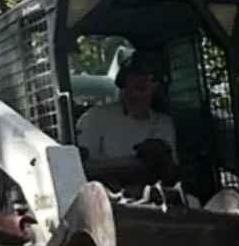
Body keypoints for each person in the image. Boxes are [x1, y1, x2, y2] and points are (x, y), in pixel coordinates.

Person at [75, 47, 179, 184]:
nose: (143, 80)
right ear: (123, 78)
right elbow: (82, 168)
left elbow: (173, 172)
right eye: (137, 72)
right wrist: (132, 164)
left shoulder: (164, 123)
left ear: (159, 86)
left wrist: (163, 161)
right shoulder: (94, 118)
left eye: (152, 76)